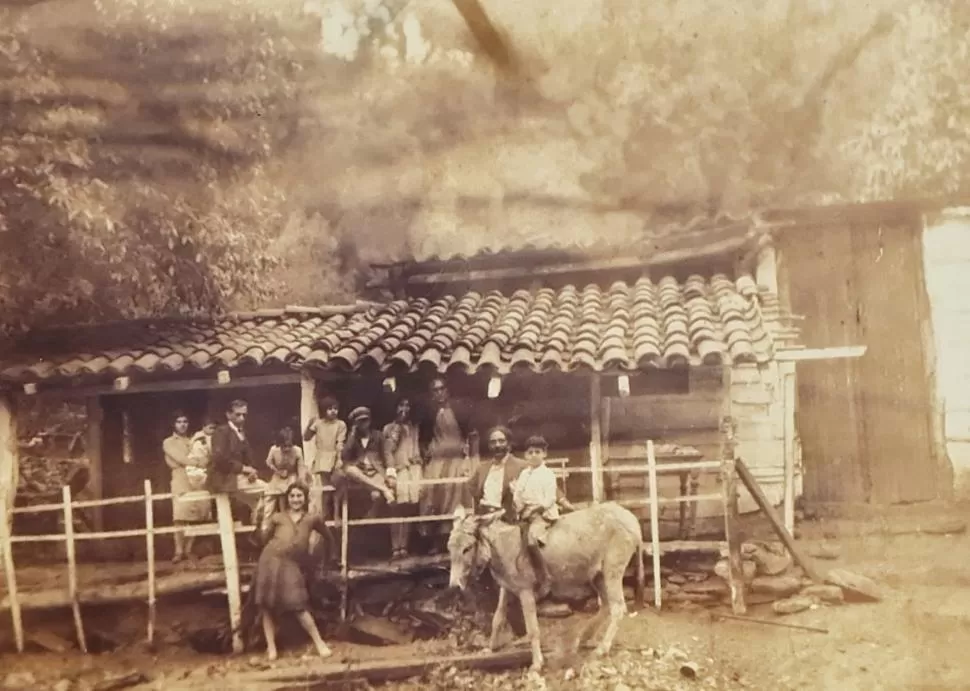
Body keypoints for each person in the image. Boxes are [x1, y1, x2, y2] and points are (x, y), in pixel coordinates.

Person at [252, 482, 332, 661]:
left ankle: (320, 643)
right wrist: (260, 521)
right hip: (270, 561)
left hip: (291, 564)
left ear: (305, 498)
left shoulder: (313, 519)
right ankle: (271, 648)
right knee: (266, 606)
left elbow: (329, 538)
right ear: (287, 498)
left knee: (298, 604)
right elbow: (263, 540)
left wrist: (326, 561)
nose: (296, 499)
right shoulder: (277, 517)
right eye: (292, 496)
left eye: (299, 496)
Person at [419, 378, 475, 552]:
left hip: (457, 461)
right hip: (436, 463)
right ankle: (435, 542)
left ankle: (453, 540)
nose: (439, 393)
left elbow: (471, 436)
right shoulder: (430, 414)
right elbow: (422, 439)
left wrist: (469, 457)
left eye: (441, 389)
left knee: (454, 498)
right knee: (433, 498)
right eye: (435, 390)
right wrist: (427, 453)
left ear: (447, 390)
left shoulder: (459, 411)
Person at [510, 435, 559, 597]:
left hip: (543, 513)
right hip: (525, 512)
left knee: (532, 541)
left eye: (537, 452)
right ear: (525, 455)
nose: (533, 455)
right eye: (530, 452)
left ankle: (545, 577)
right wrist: (519, 507)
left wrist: (535, 510)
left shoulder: (548, 474)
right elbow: (518, 495)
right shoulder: (524, 474)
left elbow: (550, 498)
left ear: (544, 454)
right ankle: (523, 574)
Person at [164, 411, 210, 563]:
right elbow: (178, 459)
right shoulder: (169, 442)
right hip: (180, 478)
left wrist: (198, 462)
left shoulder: (194, 440)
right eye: (179, 422)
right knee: (180, 516)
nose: (182, 425)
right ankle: (178, 551)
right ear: (174, 424)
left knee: (194, 515)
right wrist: (196, 462)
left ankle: (189, 550)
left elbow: (205, 456)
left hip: (196, 478)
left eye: (185, 421)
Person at [382, 396, 423, 560]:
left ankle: (404, 547)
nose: (404, 409)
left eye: (407, 405)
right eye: (401, 405)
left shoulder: (414, 428)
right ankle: (395, 547)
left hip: (412, 470)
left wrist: (418, 459)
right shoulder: (389, 428)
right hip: (397, 471)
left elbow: (416, 448)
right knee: (396, 509)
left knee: (408, 508)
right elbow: (388, 451)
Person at [207, 400, 260, 522]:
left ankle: (257, 523)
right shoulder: (221, 432)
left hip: (237, 479)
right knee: (225, 518)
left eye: (244, 415)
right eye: (238, 414)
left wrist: (251, 471)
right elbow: (219, 459)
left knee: (266, 493)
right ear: (228, 415)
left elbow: (247, 458)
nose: (242, 418)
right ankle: (256, 523)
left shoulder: (241, 432)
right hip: (222, 479)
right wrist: (244, 469)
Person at [341, 407, 394, 516]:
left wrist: (391, 473)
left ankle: (370, 517)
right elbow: (344, 456)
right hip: (360, 471)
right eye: (360, 421)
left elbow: (387, 454)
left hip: (376, 471)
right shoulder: (353, 437)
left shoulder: (378, 435)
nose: (364, 424)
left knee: (376, 496)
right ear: (356, 423)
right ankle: (384, 489)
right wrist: (352, 435)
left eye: (366, 420)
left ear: (370, 420)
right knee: (349, 469)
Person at [262, 424, 307, 530]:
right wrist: (277, 471)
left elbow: (301, 467)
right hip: (278, 477)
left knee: (291, 495)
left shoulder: (297, 451)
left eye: (289, 446)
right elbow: (268, 462)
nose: (287, 449)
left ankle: (293, 523)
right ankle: (266, 525)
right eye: (284, 446)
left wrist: (301, 481)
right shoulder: (274, 450)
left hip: (291, 476)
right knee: (270, 496)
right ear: (279, 444)